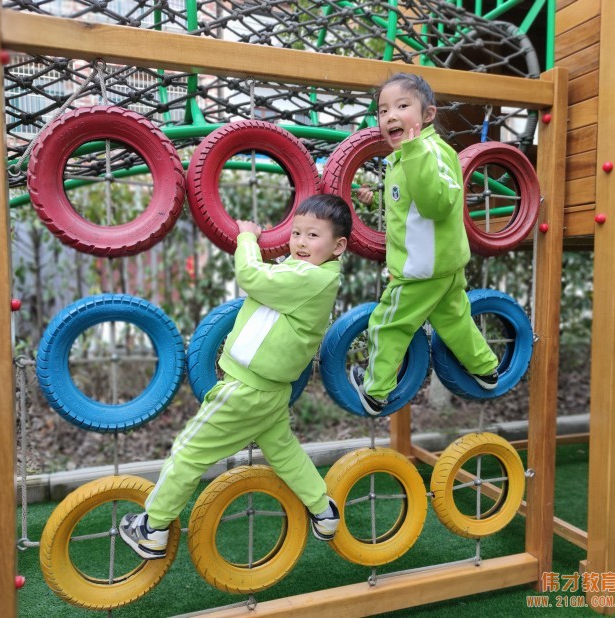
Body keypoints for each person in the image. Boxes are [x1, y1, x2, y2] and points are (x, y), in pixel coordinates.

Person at [119, 194, 352, 559]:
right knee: (284, 452)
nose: (301, 243)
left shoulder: (311, 278)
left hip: (246, 389)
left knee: (188, 452)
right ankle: (323, 511)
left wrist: (246, 237)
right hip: (270, 392)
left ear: (338, 246)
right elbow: (276, 275)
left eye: (312, 236)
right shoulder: (307, 272)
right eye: (296, 233)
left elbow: (251, 275)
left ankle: (152, 528)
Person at [350, 72, 499, 417]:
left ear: (428, 114)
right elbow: (409, 208)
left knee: (389, 324)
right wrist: (374, 201)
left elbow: (436, 203)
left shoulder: (429, 151)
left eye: (402, 106)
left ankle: (375, 391)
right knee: (455, 320)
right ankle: (486, 368)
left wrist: (415, 153)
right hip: (440, 265)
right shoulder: (405, 158)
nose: (389, 116)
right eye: (382, 110)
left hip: (421, 269)